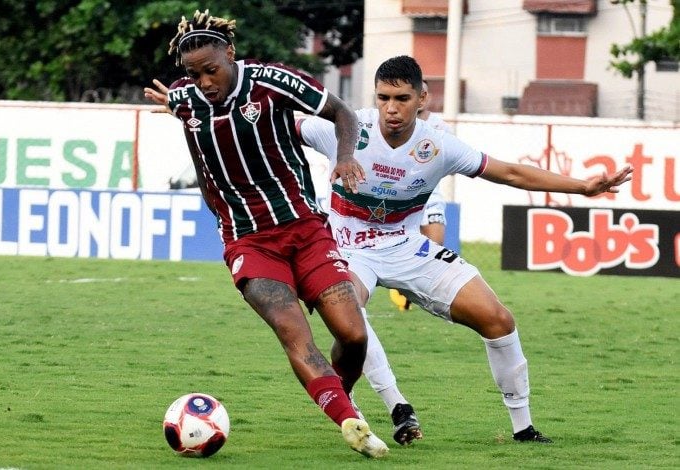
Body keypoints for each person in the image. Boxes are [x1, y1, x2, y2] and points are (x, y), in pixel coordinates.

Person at [296, 55, 633, 446]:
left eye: (402, 98)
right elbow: (281, 123)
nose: (391, 108)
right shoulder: (346, 128)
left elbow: (510, 173)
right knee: (350, 315)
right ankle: (381, 404)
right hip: (348, 247)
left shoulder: (438, 145)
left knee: (498, 319)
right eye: (383, 97)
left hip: (406, 245)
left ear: (422, 98)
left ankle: (523, 428)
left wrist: (583, 188)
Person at [143, 10, 388, 458]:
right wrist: (221, 215)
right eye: (194, 75)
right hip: (250, 243)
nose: (204, 82)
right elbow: (195, 143)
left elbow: (342, 112)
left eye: (211, 70)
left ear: (230, 53)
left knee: (353, 335)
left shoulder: (272, 81)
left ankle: (339, 396)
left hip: (306, 230)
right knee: (293, 332)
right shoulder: (186, 99)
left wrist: (345, 156)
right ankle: (348, 420)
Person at [389, 80, 449, 311]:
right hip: (401, 193)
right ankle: (398, 284)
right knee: (397, 242)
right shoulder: (395, 125)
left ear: (425, 97)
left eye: (424, 92)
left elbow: (448, 160)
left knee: (436, 244)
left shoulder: (439, 126)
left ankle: (411, 287)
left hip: (430, 193)